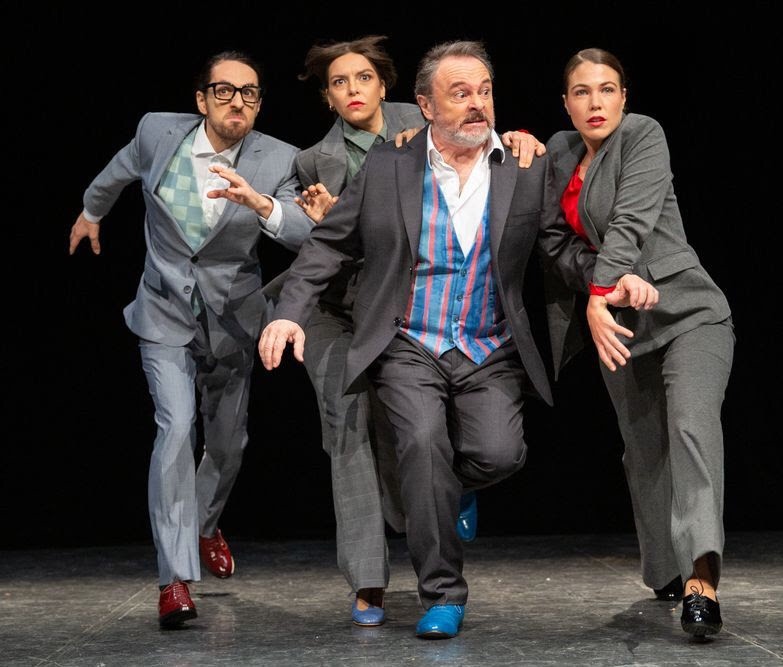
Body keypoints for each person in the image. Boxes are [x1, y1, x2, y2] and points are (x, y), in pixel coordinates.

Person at [258, 40, 601, 639]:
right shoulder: (390, 165)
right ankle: (443, 594)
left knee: (499, 454)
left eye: (484, 91)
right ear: (425, 105)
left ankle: (441, 493)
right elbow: (330, 243)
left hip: (488, 346)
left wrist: (609, 278)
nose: (477, 104)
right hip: (407, 342)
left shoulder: (524, 166)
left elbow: (556, 245)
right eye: (459, 93)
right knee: (420, 441)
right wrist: (289, 313)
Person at [68, 50, 314, 628]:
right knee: (176, 428)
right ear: (202, 99)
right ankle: (174, 578)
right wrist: (90, 212)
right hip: (164, 311)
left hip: (234, 316)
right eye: (224, 90)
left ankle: (204, 524)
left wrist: (260, 203)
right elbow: (118, 170)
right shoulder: (158, 133)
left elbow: (307, 231)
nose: (237, 102)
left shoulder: (279, 157)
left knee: (228, 442)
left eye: (249, 93)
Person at [543, 47, 734, 637]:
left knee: (691, 428)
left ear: (624, 97)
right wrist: (602, 288)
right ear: (566, 103)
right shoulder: (559, 153)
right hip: (624, 328)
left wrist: (599, 295)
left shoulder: (643, 135)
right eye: (582, 91)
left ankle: (702, 584)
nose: (595, 102)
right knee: (643, 451)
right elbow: (554, 242)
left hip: (688, 313)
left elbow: (630, 221)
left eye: (607, 89)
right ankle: (667, 570)